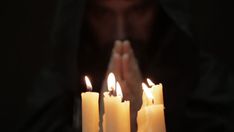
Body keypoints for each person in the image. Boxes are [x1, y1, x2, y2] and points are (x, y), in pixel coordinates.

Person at [20, 0, 234, 132]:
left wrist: (149, 119)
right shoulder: (56, 86)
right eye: (103, 13)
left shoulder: (206, 80)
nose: (121, 33)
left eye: (138, 10)